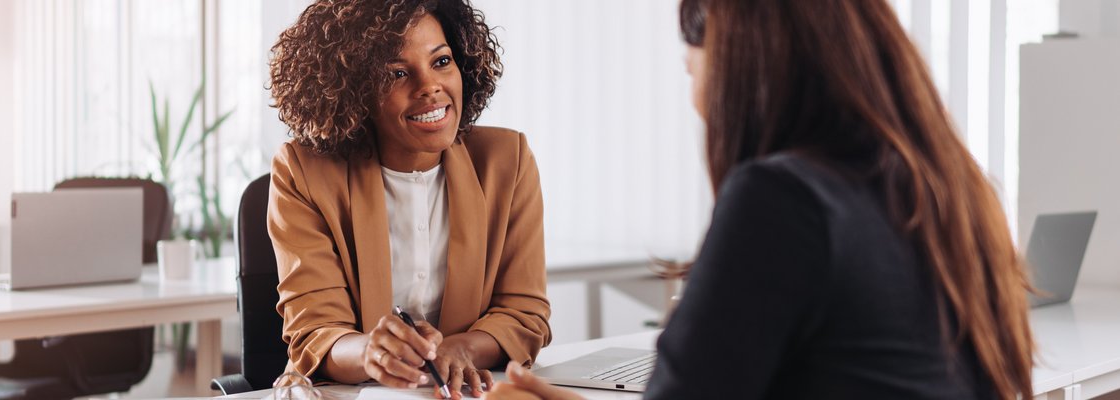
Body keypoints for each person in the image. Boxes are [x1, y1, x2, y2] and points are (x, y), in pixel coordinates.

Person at [487, 0, 1034, 399]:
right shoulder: (953, 191)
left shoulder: (783, 201)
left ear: (743, 60)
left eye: (694, 55)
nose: (690, 78)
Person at [266, 1, 552, 398]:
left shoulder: (507, 160)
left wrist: (460, 349)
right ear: (352, 90)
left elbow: (524, 313)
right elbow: (315, 331)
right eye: (398, 73)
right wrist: (371, 352)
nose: (430, 87)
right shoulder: (303, 171)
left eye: (441, 61)